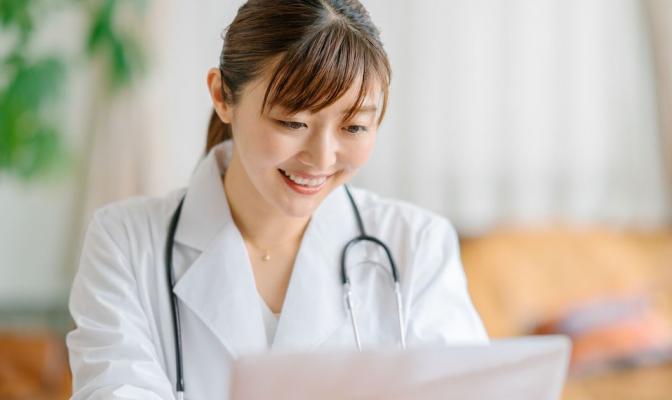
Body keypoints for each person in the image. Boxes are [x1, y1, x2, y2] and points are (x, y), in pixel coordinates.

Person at [66, 1, 488, 398]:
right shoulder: (125, 242)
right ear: (222, 96)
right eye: (292, 121)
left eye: (355, 127)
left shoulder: (416, 245)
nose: (321, 157)